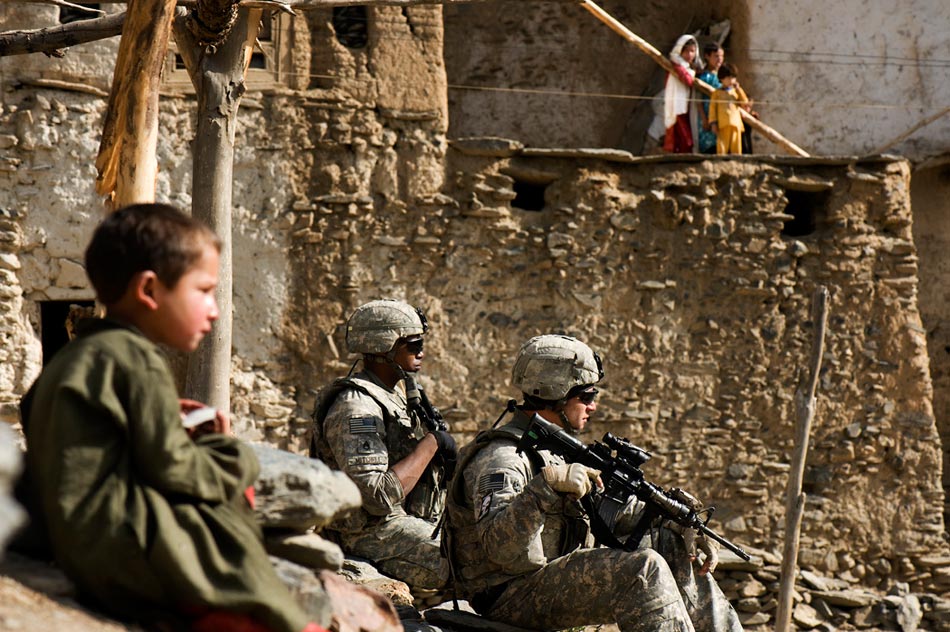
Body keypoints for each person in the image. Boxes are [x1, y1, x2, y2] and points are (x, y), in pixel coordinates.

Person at [18, 204, 328, 632]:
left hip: (76, 544)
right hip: (119, 548)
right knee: (224, 508)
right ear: (149, 290)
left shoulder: (75, 355)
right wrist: (233, 456)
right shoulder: (136, 359)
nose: (214, 309)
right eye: (203, 290)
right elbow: (175, 468)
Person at [444, 334, 743, 632]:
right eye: (586, 396)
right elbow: (500, 550)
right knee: (642, 569)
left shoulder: (556, 450)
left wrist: (681, 523)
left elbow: (613, 512)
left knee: (670, 541)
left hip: (545, 580)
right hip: (509, 594)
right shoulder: (504, 457)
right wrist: (544, 488)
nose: (594, 406)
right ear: (556, 392)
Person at [310, 299, 456, 596]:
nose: (422, 352)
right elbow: (376, 495)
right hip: (366, 533)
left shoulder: (396, 394)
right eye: (414, 345)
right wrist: (432, 444)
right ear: (384, 347)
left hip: (404, 520)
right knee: (464, 560)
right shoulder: (356, 407)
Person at [663, 34, 702, 154]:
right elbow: (688, 80)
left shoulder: (689, 68)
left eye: (692, 51)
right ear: (680, 50)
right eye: (686, 51)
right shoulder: (677, 65)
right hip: (677, 106)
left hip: (686, 106)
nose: (690, 55)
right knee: (683, 137)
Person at [709, 63, 748, 155]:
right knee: (722, 145)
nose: (731, 80)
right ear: (722, 78)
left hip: (736, 123)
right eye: (728, 78)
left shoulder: (736, 92)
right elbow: (712, 109)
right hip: (722, 123)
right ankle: (720, 161)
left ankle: (737, 161)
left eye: (733, 78)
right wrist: (713, 123)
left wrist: (739, 90)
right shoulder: (717, 94)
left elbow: (744, 102)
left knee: (736, 145)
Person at [697, 42, 724, 155]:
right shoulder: (704, 77)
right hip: (708, 115)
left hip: (722, 115)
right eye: (716, 56)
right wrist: (704, 119)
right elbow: (698, 100)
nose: (720, 59)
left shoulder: (723, 76)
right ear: (707, 56)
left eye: (722, 56)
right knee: (710, 147)